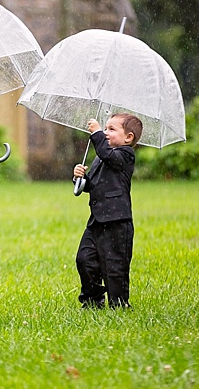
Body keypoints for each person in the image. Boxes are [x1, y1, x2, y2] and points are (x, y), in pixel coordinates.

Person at [72, 113, 142, 307]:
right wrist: (80, 178)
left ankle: (118, 303)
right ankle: (93, 300)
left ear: (128, 137)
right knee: (84, 260)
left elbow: (109, 156)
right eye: (105, 128)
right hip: (96, 222)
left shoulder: (125, 155)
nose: (105, 132)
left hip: (117, 223)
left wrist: (96, 134)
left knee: (114, 266)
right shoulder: (101, 158)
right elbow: (92, 185)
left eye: (111, 129)